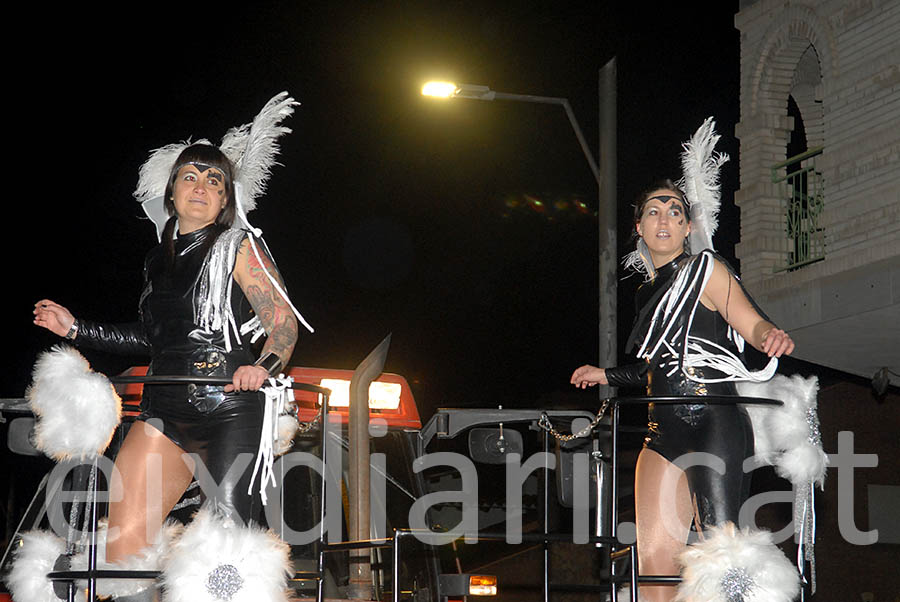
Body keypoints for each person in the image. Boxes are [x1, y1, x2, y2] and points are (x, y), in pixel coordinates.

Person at [32, 141, 300, 599]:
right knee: (120, 548)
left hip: (230, 409)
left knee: (229, 554)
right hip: (163, 409)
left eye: (214, 180)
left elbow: (283, 323)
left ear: (225, 200)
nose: (201, 187)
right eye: (190, 177)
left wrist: (262, 366)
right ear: (171, 191)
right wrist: (75, 327)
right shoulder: (158, 260)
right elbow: (151, 336)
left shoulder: (239, 246)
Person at [571, 180, 794, 602]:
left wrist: (769, 336)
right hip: (662, 429)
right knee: (654, 562)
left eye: (675, 211)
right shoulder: (644, 294)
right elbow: (656, 369)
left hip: (714, 421)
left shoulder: (707, 270)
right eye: (654, 211)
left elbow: (749, 319)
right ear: (639, 226)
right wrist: (606, 375)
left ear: (688, 226)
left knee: (721, 557)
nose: (664, 219)